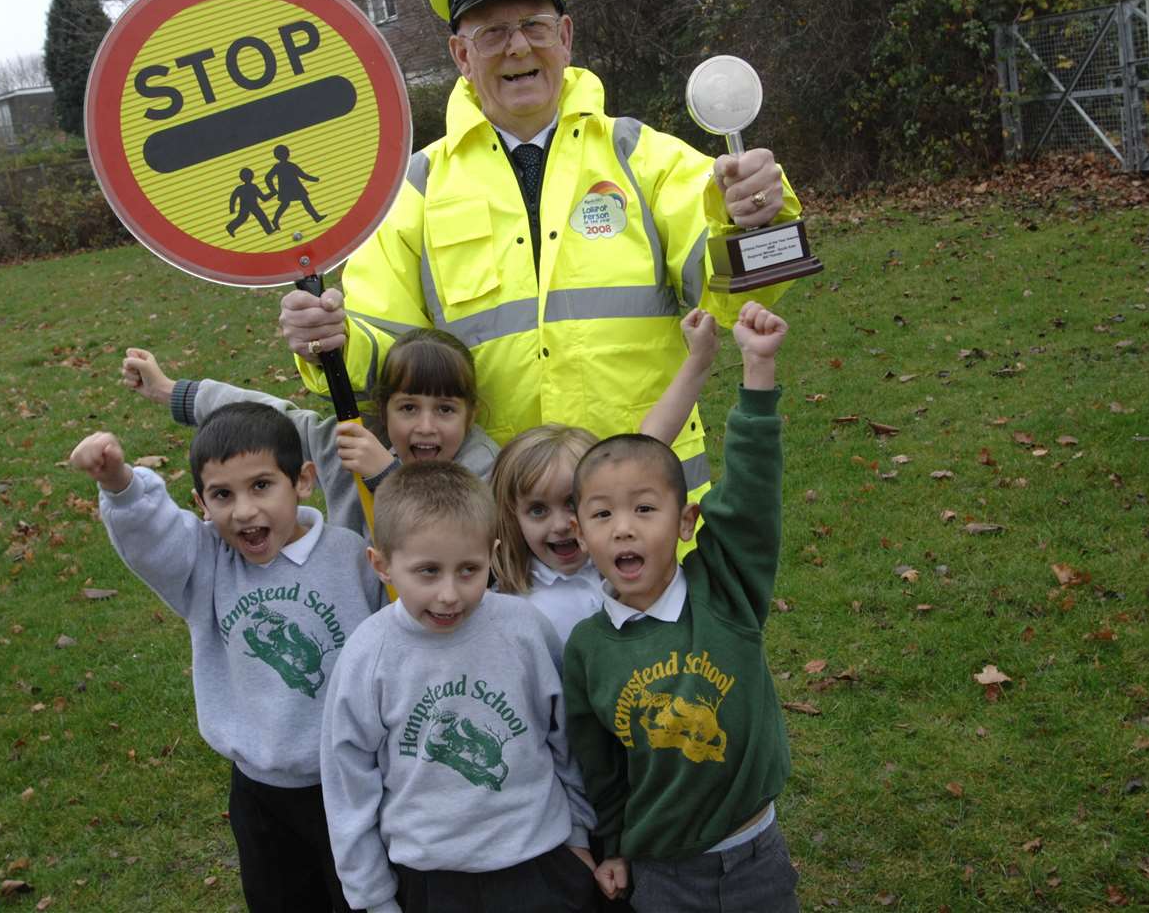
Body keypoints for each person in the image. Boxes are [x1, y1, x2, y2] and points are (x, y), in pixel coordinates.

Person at [279, 0, 802, 503]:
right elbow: (385, 354)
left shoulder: (640, 155)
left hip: (644, 508)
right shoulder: (417, 188)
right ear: (460, 55)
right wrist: (332, 338)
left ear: (566, 37)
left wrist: (752, 219)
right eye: (493, 33)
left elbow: (730, 293)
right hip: (497, 515)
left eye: (534, 26)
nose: (518, 47)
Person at [68, 402, 384, 913]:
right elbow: (155, 536)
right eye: (222, 495)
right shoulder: (206, 562)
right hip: (259, 790)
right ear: (201, 501)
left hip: (349, 783)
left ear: (302, 481)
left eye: (262, 486)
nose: (243, 511)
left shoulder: (350, 557)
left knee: (361, 899)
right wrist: (121, 484)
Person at [562, 301, 799, 912]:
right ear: (580, 532)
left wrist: (757, 371)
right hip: (662, 877)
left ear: (686, 520)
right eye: (603, 514)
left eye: (645, 509)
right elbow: (601, 768)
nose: (623, 530)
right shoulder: (588, 648)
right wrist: (610, 845)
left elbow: (748, 499)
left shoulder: (723, 590)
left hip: (756, 861)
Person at [319, 462, 599, 913]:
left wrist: (579, 834)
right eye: (428, 572)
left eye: (469, 570)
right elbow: (348, 786)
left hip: (540, 863)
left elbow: (566, 740)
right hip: (430, 880)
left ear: (491, 554)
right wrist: (372, 898)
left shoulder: (526, 630)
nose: (450, 594)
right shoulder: (367, 656)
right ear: (382, 564)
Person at [119, 327, 499, 537]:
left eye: (446, 409)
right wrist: (171, 391)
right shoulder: (355, 443)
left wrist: (385, 476)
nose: (426, 426)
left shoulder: (483, 463)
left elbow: (456, 533)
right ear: (384, 410)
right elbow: (274, 420)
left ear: (471, 413)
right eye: (409, 408)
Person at [491, 309, 721, 643]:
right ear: (513, 515)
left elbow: (651, 444)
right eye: (538, 510)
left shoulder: (617, 563)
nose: (560, 525)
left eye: (571, 503)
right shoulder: (510, 602)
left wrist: (699, 360)